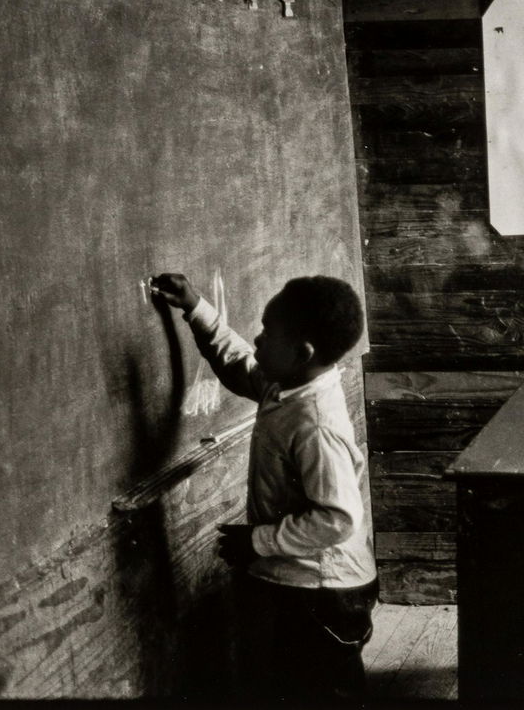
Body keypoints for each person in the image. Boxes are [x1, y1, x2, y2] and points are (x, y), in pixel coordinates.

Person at [149, 272, 377, 700]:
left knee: (320, 690)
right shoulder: (288, 382)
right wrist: (197, 308)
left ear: (302, 351)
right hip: (307, 581)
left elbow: (338, 517)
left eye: (268, 333)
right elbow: (240, 367)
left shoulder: (315, 424)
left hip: (325, 591)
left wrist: (258, 541)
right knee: (308, 685)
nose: (256, 339)